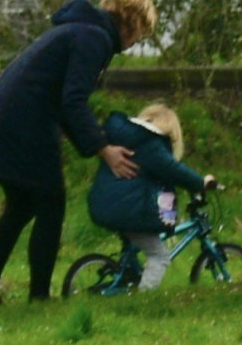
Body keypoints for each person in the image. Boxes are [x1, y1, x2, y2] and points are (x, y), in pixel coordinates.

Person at [0, 0, 154, 305]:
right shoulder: (93, 38)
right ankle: (39, 296)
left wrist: (98, 143)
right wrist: (103, 149)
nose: (137, 41)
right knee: (51, 203)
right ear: (131, 20)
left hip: (7, 119)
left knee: (22, 206)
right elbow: (73, 102)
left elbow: (65, 101)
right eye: (141, 32)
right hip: (23, 124)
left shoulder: (81, 31)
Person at [83, 100, 210, 280]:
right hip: (129, 210)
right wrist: (201, 182)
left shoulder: (127, 137)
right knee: (160, 256)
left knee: (135, 247)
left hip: (106, 204)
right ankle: (144, 299)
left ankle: (128, 276)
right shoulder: (149, 144)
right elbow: (174, 170)